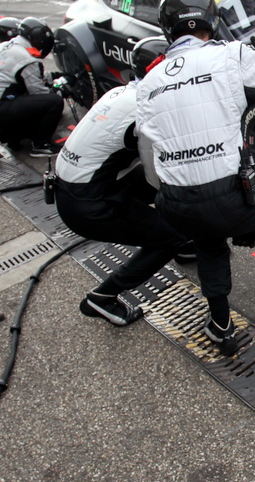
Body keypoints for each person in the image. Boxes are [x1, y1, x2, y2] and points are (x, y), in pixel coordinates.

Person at [132, 0, 255, 356]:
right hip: (233, 195)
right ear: (212, 21)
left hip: (177, 204)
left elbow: (148, 158)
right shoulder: (230, 54)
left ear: (167, 29)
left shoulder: (148, 83)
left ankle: (220, 324)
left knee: (206, 235)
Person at [54, 81, 193, 326]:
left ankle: (183, 245)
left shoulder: (122, 92)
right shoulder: (149, 112)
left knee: (167, 199)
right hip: (88, 204)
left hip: (81, 185)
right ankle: (102, 298)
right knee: (174, 233)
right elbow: (156, 176)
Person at [0, 17, 65, 158]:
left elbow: (19, 76)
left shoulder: (6, 45)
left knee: (29, 105)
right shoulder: (27, 57)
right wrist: (60, 89)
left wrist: (54, 75)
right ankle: (41, 145)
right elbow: (38, 92)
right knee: (54, 102)